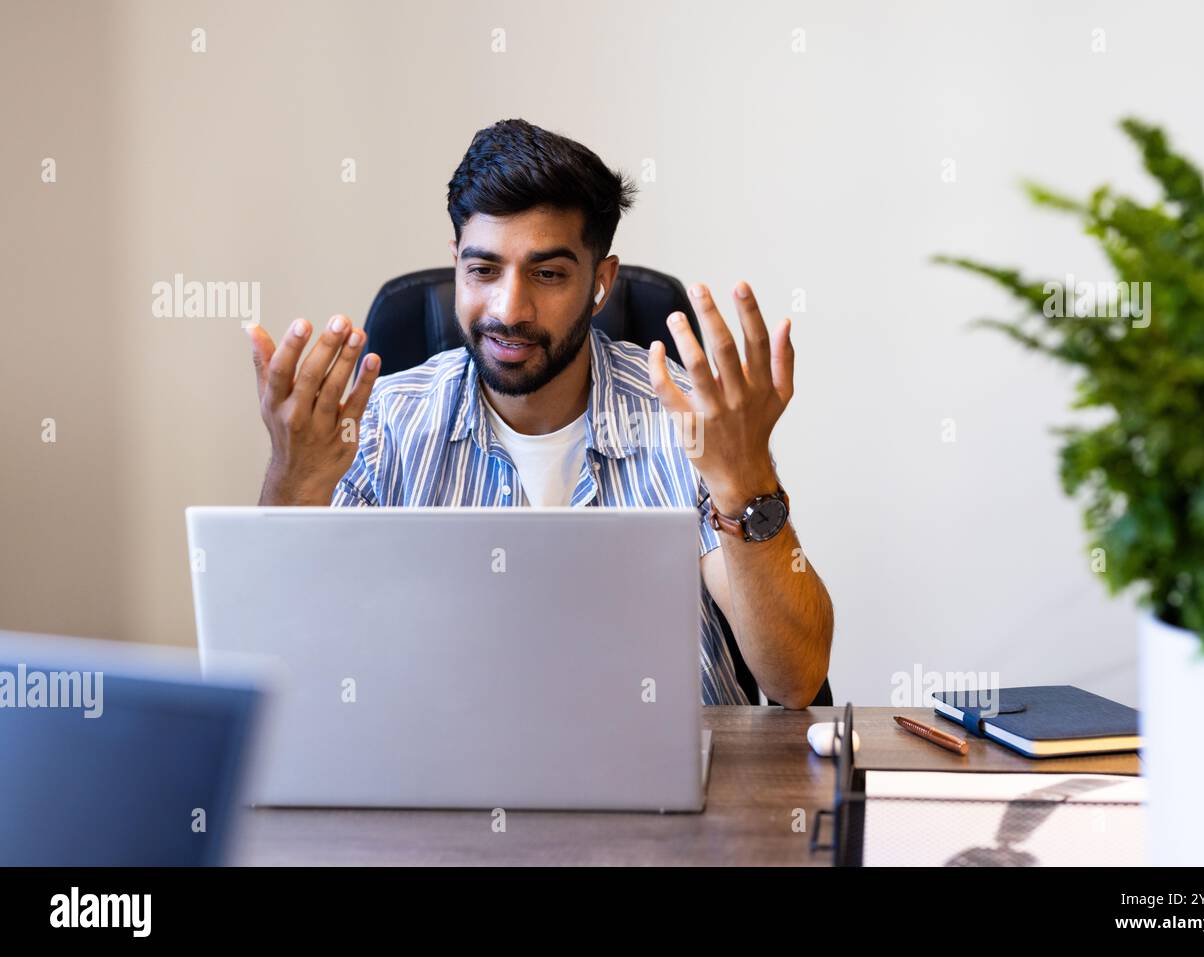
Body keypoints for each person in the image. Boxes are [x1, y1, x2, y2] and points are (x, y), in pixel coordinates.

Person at [246, 118, 833, 707]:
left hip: (677, 778)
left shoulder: (686, 419)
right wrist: (295, 482)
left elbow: (795, 680)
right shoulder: (380, 427)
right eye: (482, 270)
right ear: (456, 264)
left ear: (601, 283)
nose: (510, 308)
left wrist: (745, 480)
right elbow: (279, 675)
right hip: (438, 781)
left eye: (548, 274)